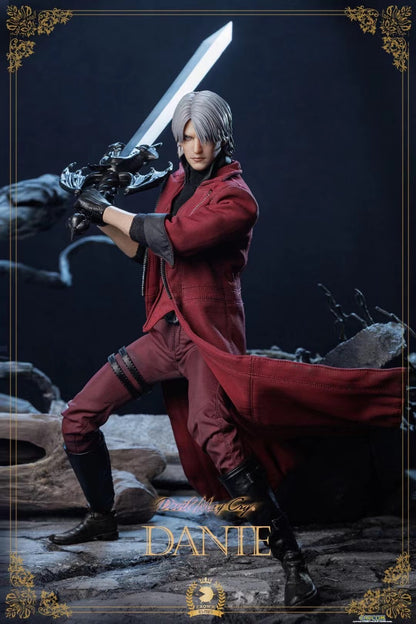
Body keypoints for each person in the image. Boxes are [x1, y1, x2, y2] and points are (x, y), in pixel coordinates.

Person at [49, 90, 403, 607]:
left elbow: (174, 238)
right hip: (165, 333)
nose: (196, 146)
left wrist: (107, 208)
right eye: (188, 136)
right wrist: (100, 219)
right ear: (179, 139)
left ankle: (293, 564)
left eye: (206, 136)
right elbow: (146, 252)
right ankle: (103, 517)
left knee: (216, 436)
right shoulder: (174, 183)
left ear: (223, 137)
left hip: (205, 341)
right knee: (78, 416)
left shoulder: (238, 200)